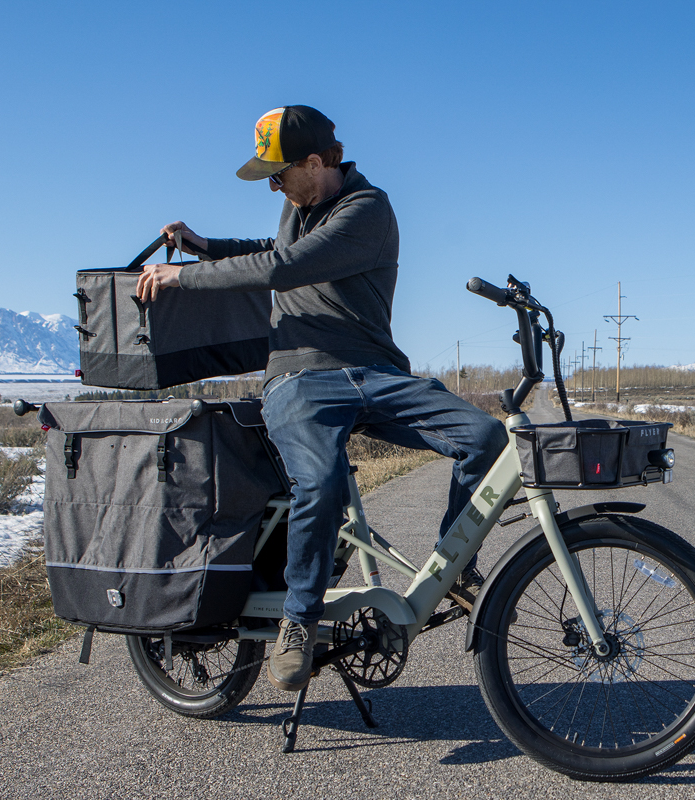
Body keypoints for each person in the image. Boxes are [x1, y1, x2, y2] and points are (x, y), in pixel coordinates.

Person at [136, 105, 506, 692]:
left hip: (374, 372)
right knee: (321, 479)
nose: (274, 187)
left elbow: (288, 265)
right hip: (299, 377)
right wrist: (204, 246)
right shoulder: (297, 208)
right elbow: (267, 247)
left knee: (486, 438)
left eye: (279, 174)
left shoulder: (368, 209)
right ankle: (299, 620)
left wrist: (185, 279)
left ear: (316, 162)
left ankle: (454, 564)